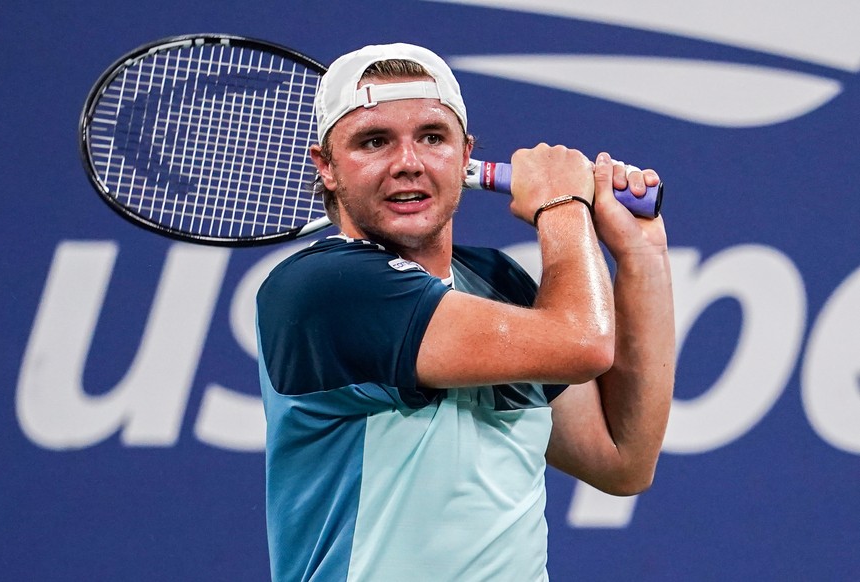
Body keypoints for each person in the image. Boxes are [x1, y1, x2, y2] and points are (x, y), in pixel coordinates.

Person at [256, 42, 675, 582]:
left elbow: (623, 461)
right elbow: (583, 342)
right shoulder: (323, 289)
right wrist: (561, 203)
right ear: (328, 168)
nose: (408, 163)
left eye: (432, 138)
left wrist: (643, 254)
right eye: (374, 141)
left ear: (464, 154)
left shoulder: (496, 281)